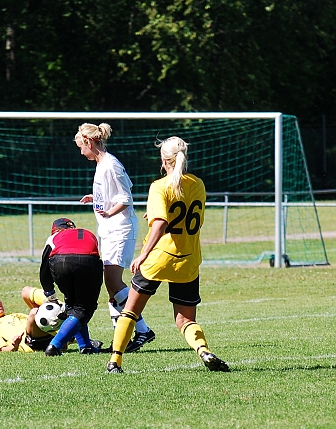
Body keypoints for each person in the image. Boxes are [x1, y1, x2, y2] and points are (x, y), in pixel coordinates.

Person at [106, 136, 229, 373]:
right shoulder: (198, 184)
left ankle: (115, 361)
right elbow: (183, 215)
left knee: (130, 310)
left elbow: (161, 223)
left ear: (164, 160)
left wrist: (143, 255)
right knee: (185, 320)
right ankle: (203, 350)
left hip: (159, 258)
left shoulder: (159, 186)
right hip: (188, 258)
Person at [76, 122, 156, 352]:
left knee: (113, 282)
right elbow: (113, 193)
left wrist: (109, 211)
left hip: (121, 229)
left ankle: (142, 330)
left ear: (89, 142)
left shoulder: (111, 164)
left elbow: (126, 197)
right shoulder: (101, 164)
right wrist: (97, 197)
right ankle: (125, 334)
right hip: (109, 230)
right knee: (111, 286)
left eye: (81, 146)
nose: (81, 151)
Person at [0, 286, 101, 353]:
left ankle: (59, 307)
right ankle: (61, 310)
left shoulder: (15, 315)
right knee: (34, 313)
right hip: (32, 343)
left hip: (47, 336)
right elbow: (1, 349)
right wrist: (14, 345)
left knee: (25, 291)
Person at [40, 218, 106, 356]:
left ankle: (85, 346)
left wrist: (49, 293)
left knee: (74, 306)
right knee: (83, 308)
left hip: (60, 262)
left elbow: (44, 268)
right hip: (88, 261)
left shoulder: (54, 236)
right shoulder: (88, 233)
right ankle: (55, 345)